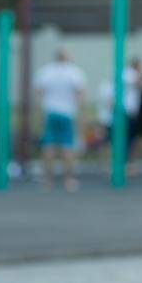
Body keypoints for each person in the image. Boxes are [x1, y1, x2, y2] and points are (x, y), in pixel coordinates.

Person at [33, 48, 87, 192]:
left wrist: (40, 113)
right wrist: (81, 115)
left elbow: (38, 93)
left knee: (48, 147)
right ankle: (68, 180)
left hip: (50, 112)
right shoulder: (74, 72)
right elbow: (80, 95)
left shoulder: (46, 71)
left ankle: (47, 181)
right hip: (67, 113)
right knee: (67, 148)